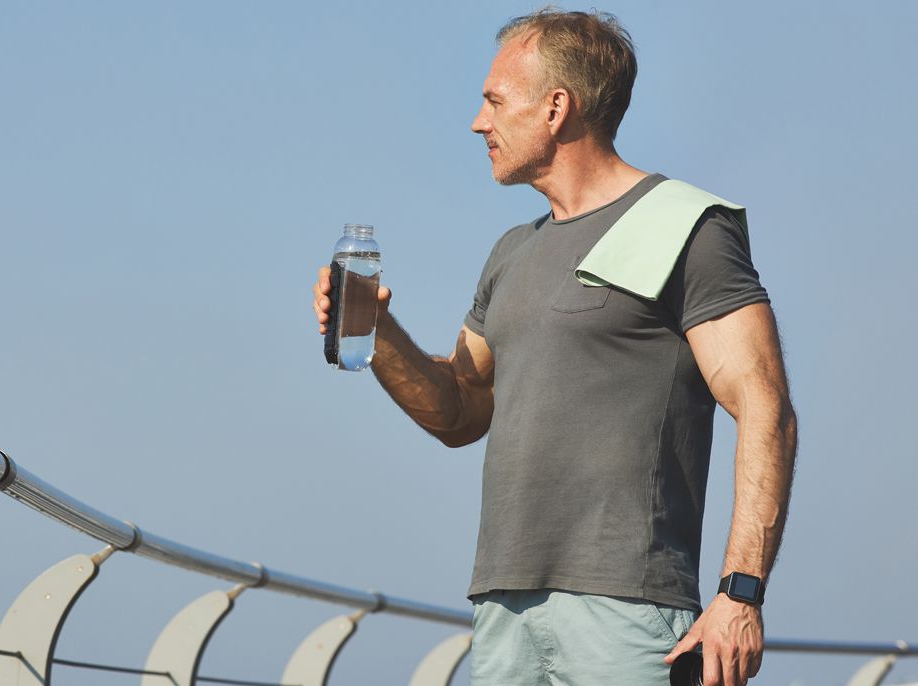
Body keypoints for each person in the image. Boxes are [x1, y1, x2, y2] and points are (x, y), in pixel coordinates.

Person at [311, 9, 797, 686]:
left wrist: (740, 594)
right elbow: (458, 410)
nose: (478, 123)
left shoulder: (688, 226)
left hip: (627, 614)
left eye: (494, 101)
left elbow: (766, 407)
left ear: (556, 108)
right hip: (501, 611)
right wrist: (379, 331)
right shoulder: (512, 252)